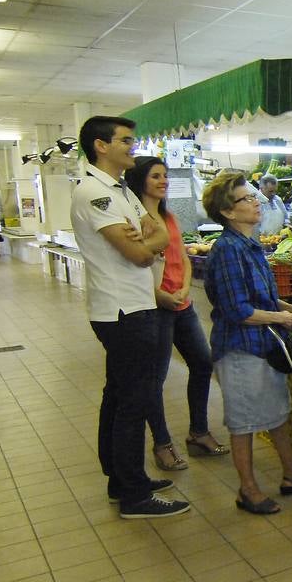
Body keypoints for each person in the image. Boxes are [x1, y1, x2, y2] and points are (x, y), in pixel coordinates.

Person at [71, 115, 190, 519]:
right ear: (101, 146)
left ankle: (121, 480)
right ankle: (135, 495)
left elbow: (158, 232)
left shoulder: (119, 189)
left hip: (131, 306)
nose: (132, 146)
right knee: (132, 401)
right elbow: (141, 253)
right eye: (125, 140)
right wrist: (149, 241)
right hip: (123, 310)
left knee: (120, 395)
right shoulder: (95, 193)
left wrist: (150, 236)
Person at [201, 170, 292, 515]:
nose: (256, 202)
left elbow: (265, 298)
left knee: (276, 413)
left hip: (266, 345)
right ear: (228, 211)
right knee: (244, 422)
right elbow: (237, 309)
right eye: (247, 198)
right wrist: (281, 318)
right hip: (241, 348)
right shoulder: (228, 249)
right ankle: (248, 489)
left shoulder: (251, 245)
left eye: (254, 196)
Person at [126, 156, 229, 472]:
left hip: (182, 305)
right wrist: (161, 296)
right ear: (140, 180)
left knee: (201, 363)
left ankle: (198, 432)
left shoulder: (168, 217)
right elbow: (133, 266)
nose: (163, 181)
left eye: (165, 175)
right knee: (155, 379)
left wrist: (183, 290)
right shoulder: (133, 220)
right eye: (156, 176)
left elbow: (182, 258)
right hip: (155, 306)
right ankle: (162, 444)